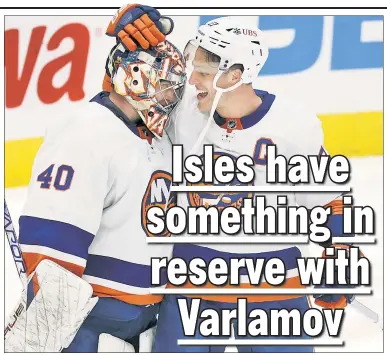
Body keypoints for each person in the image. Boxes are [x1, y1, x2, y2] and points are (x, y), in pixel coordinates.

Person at [105, 6, 356, 353]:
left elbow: (330, 201)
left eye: (204, 72)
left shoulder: (295, 127)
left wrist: (339, 258)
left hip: (275, 293)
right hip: (192, 289)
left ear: (234, 75)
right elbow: (119, 106)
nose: (192, 81)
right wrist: (126, 55)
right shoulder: (181, 111)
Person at [15, 25, 187, 352]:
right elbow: (54, 239)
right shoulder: (86, 132)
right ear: (134, 80)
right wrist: (43, 330)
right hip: (89, 323)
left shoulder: (157, 135)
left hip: (145, 321)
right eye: (165, 85)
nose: (173, 97)